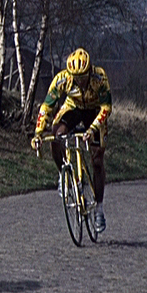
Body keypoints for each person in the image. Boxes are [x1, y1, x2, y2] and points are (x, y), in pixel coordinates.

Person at [31, 48, 112, 233]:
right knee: (56, 135)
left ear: (89, 71)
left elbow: (107, 107)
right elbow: (46, 106)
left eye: (83, 77)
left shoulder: (99, 77)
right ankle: (63, 174)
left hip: (95, 111)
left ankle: (99, 208)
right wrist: (38, 132)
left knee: (97, 160)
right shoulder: (62, 79)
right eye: (76, 78)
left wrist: (92, 130)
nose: (80, 81)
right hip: (73, 108)